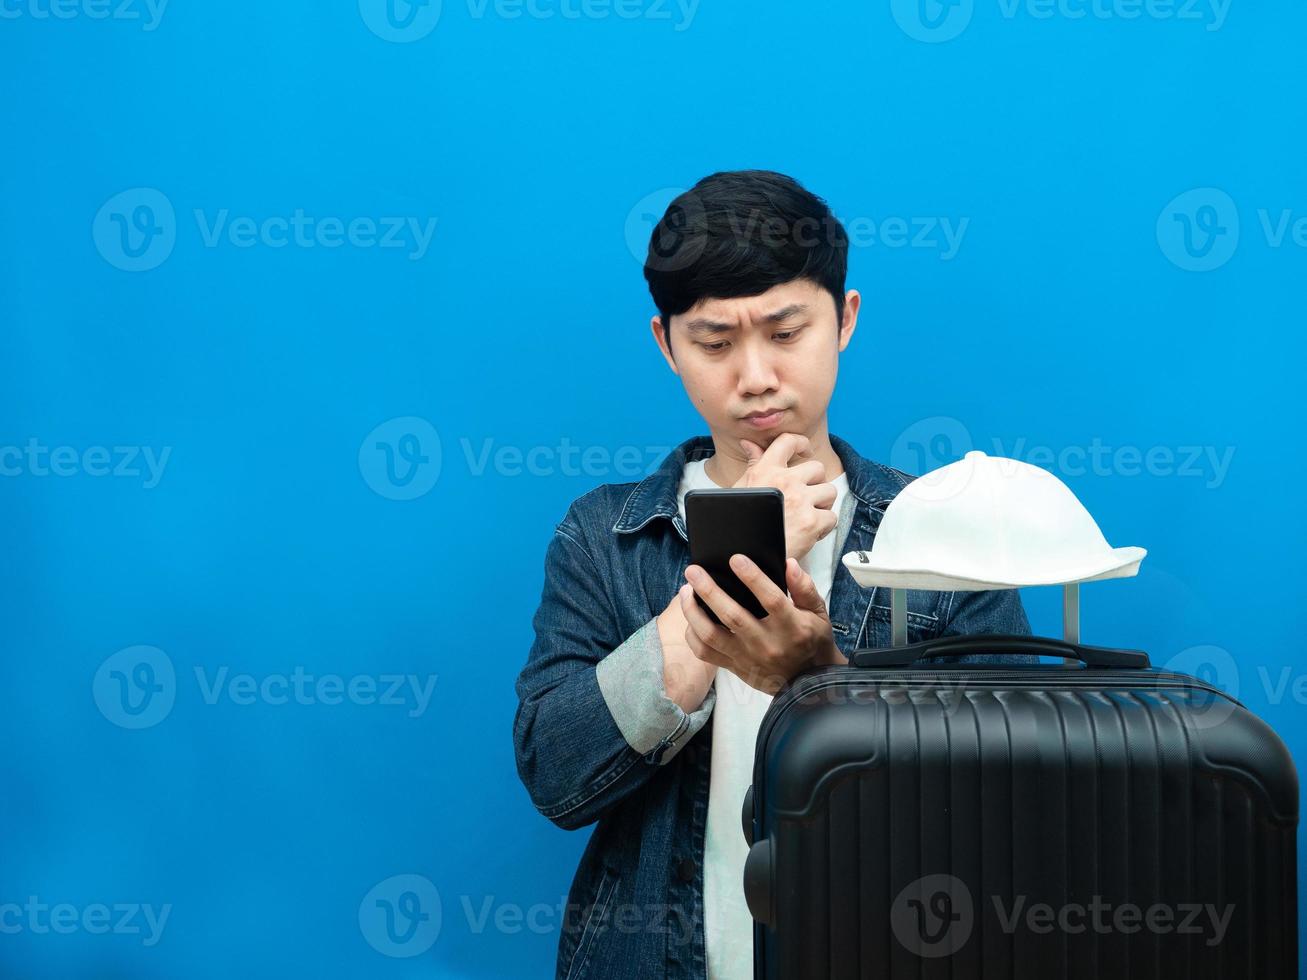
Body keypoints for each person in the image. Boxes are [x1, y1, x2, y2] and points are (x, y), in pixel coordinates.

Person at [512, 170, 1034, 980]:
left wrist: (819, 679)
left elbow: (1004, 805)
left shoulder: (943, 537)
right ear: (666, 345)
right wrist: (741, 563)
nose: (753, 376)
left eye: (786, 333)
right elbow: (557, 775)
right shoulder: (603, 536)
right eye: (715, 343)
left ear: (844, 320)